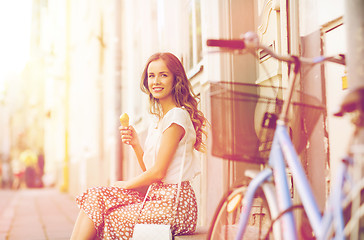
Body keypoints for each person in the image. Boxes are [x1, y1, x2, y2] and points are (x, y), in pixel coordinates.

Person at [71, 52, 208, 239]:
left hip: (174, 206)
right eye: (151, 76)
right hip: (157, 197)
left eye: (163, 75)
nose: (156, 81)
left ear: (176, 80)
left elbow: (158, 173)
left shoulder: (176, 117)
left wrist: (126, 185)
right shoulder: (159, 120)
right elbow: (153, 172)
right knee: (95, 197)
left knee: (110, 216)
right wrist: (136, 144)